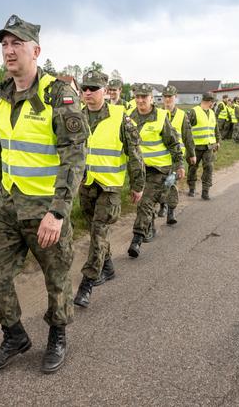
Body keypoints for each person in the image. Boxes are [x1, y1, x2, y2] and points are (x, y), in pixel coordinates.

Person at [0, 15, 88, 374]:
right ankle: (14, 335)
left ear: (36, 50)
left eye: (17, 44)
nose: (9, 51)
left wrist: (58, 212)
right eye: (5, 45)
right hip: (9, 205)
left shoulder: (58, 94)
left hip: (46, 207)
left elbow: (74, 155)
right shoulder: (0, 96)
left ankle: (58, 334)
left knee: (55, 279)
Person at [73, 70, 145, 308]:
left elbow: (135, 154)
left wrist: (138, 184)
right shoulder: (77, 117)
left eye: (93, 88)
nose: (88, 93)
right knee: (96, 231)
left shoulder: (120, 117)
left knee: (98, 231)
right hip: (87, 185)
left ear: (106, 91)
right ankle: (109, 267)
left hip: (110, 187)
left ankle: (87, 284)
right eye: (84, 88)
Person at [127, 83, 184, 258]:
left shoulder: (160, 117)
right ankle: (149, 225)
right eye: (137, 96)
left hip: (159, 169)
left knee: (145, 201)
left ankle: (137, 239)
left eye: (144, 97)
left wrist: (180, 164)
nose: (140, 100)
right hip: (139, 169)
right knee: (147, 202)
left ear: (152, 98)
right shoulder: (129, 117)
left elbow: (173, 143)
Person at [158, 84, 196, 224]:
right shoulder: (157, 114)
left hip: (176, 157)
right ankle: (163, 204)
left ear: (175, 97)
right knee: (161, 183)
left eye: (170, 97)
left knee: (172, 183)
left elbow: (188, 137)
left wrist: (191, 154)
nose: (168, 99)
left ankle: (171, 212)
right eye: (165, 97)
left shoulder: (182, 115)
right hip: (159, 156)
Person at [186, 93, 221, 200]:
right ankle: (192, 188)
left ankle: (205, 191)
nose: (214, 104)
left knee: (209, 168)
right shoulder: (193, 111)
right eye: (213, 102)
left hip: (209, 147)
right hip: (195, 147)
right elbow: (186, 129)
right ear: (210, 101)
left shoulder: (211, 112)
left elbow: (215, 128)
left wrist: (218, 141)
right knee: (192, 168)